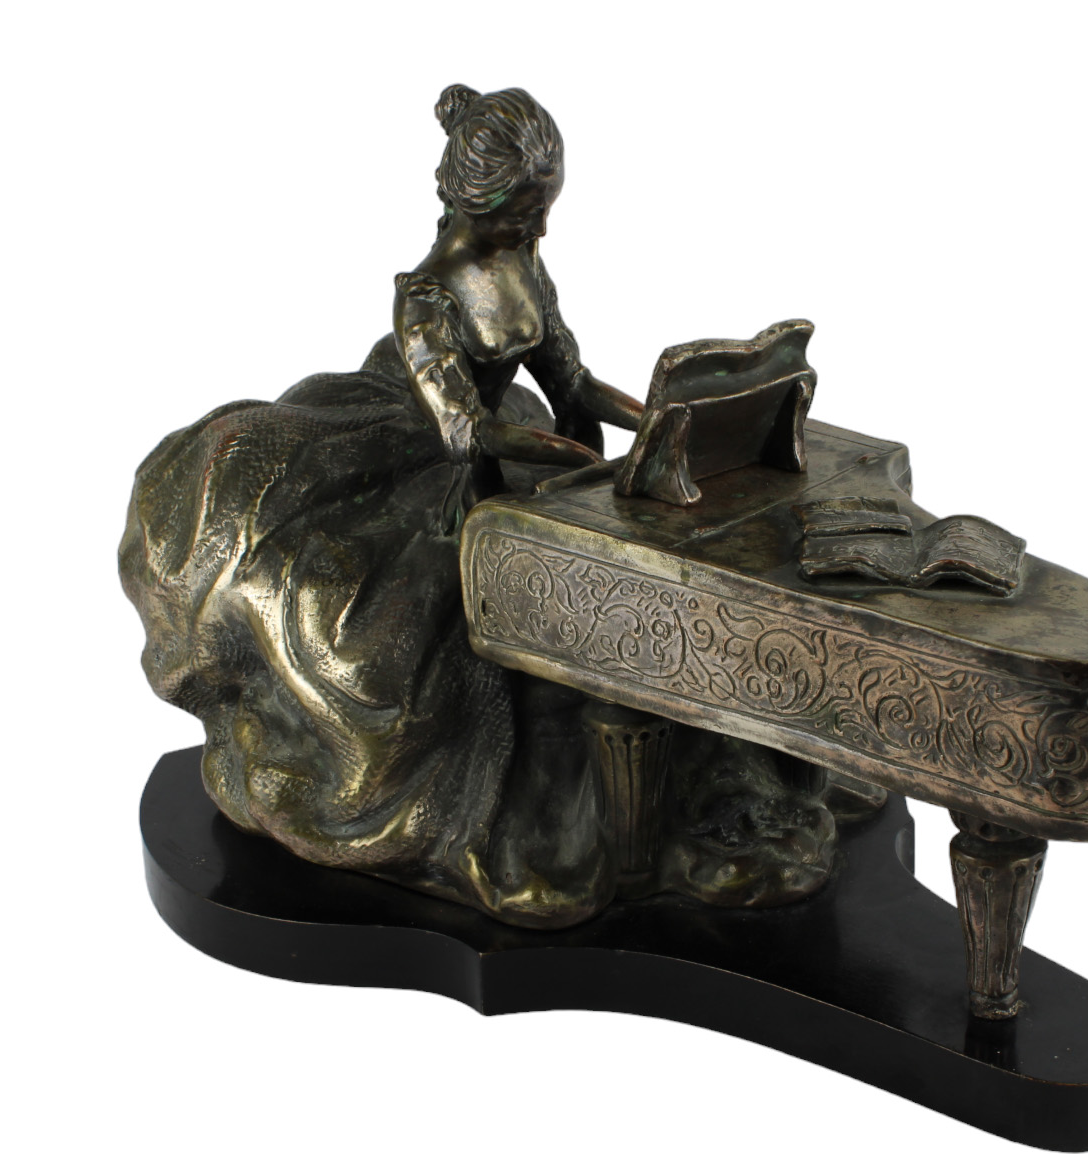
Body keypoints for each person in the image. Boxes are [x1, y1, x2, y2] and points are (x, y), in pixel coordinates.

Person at [121, 86, 835, 927]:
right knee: (418, 648)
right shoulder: (427, 297)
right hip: (437, 463)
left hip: (516, 447)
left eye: (546, 210)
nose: (541, 230)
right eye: (528, 214)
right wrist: (579, 459)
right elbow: (463, 430)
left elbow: (571, 384)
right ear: (480, 203)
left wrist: (661, 418)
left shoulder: (527, 267)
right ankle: (520, 816)